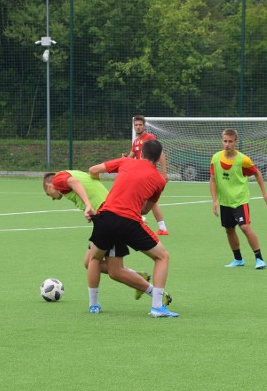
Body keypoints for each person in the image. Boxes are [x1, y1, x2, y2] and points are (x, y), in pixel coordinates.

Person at [42, 170, 170, 307]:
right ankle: (137, 276)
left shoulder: (58, 178)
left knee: (115, 271)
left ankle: (155, 293)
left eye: (48, 194)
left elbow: (75, 183)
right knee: (90, 263)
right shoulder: (75, 173)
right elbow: (92, 177)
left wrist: (88, 205)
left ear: (49, 185)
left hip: (110, 219)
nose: (52, 198)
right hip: (108, 217)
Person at [87, 139, 177, 317]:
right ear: (159, 158)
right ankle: (157, 306)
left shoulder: (126, 161)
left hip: (105, 218)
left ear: (141, 153)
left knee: (94, 260)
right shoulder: (160, 180)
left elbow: (92, 170)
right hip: (129, 223)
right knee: (162, 257)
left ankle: (93, 305)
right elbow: (145, 209)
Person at [209, 128, 267, 269]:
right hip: (225, 202)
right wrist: (214, 200)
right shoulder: (216, 158)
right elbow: (213, 179)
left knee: (245, 227)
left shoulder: (243, 160)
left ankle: (259, 259)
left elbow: (257, 174)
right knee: (229, 229)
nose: (227, 144)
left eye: (230, 141)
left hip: (240, 201)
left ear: (236, 142)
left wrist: (264, 193)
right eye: (225, 141)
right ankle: (238, 259)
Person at [125, 115, 170, 235]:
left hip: (148, 175)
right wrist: (124, 159)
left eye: (140, 125)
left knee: (137, 198)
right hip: (139, 174)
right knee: (151, 201)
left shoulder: (150, 138)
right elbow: (131, 156)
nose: (138, 127)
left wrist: (164, 173)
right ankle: (162, 228)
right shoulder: (135, 141)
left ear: (144, 126)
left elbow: (161, 155)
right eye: (136, 125)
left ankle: (138, 220)